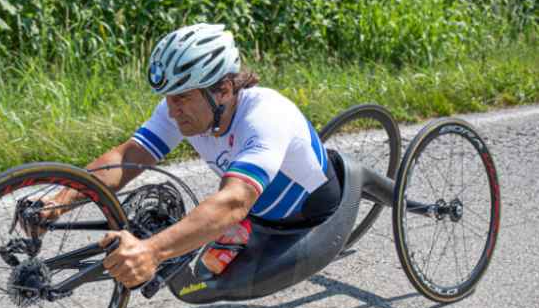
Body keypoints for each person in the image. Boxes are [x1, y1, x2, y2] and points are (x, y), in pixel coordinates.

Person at [25, 23, 340, 288]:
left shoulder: (265, 115)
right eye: (168, 98)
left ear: (224, 89)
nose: (173, 112)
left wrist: (152, 251)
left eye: (183, 98)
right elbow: (129, 156)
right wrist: (59, 202)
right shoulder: (186, 108)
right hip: (256, 214)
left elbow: (233, 201)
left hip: (307, 213)